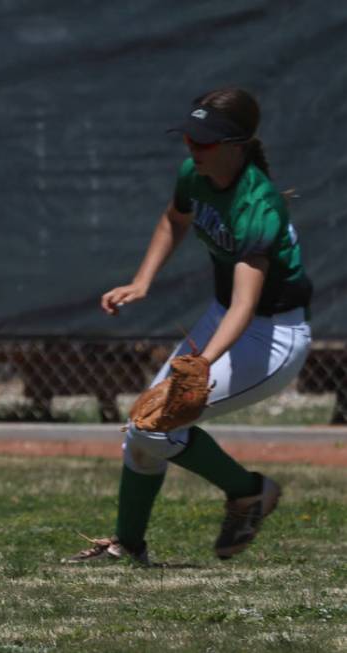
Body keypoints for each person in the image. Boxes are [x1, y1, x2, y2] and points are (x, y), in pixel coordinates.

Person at [67, 88, 313, 565]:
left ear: (236, 144)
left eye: (204, 142)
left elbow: (247, 303)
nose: (192, 149)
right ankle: (128, 546)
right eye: (189, 138)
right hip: (226, 319)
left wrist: (202, 361)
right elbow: (174, 219)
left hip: (272, 334)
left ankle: (249, 492)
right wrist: (142, 281)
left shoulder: (256, 203)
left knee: (154, 426)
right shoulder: (195, 174)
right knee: (143, 430)